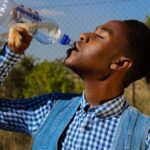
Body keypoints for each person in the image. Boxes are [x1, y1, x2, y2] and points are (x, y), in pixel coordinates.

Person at [0, 19, 150, 150]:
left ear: (120, 63)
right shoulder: (50, 109)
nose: (83, 35)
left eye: (99, 36)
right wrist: (11, 53)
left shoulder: (143, 136)